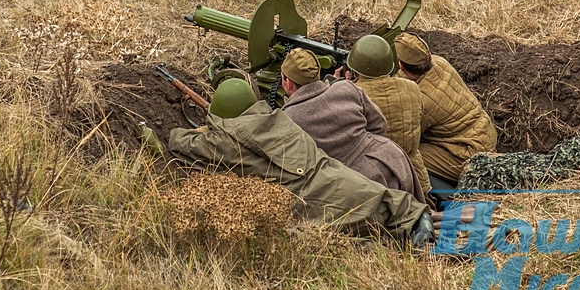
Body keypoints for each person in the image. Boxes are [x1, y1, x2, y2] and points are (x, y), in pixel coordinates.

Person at [166, 78, 435, 247]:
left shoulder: (227, 142)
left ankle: (411, 235)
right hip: (329, 170)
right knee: (377, 200)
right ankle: (416, 219)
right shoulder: (280, 119)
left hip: (309, 192)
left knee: (348, 229)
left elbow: (179, 141)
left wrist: (207, 128)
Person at [279, 48, 427, 204]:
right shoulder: (346, 87)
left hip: (358, 181)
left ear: (287, 83)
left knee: (394, 224)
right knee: (418, 214)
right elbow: (379, 124)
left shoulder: (288, 118)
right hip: (391, 157)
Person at [393, 32, 497, 191]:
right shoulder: (440, 63)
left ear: (400, 65)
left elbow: (402, 136)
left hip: (468, 154)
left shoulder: (421, 99)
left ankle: (446, 195)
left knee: (404, 155)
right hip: (485, 134)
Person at [342, 35, 433, 197]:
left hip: (376, 181)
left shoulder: (353, 95)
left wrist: (342, 86)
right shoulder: (412, 87)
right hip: (414, 177)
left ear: (354, 68)